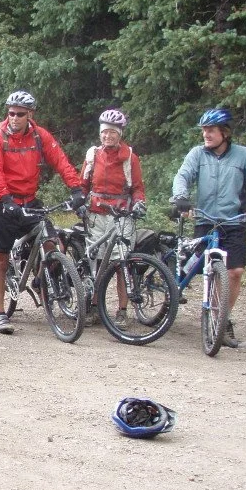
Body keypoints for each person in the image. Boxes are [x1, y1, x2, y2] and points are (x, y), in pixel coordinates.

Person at [170, 108, 246, 347]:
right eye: (204, 130)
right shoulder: (197, 154)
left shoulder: (243, 156)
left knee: (234, 273)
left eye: (211, 130)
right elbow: (182, 176)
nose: (206, 134)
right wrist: (181, 197)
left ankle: (221, 319)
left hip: (233, 222)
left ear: (224, 133)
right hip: (205, 222)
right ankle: (177, 293)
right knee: (195, 269)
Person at [0, 90, 85, 335]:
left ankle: (41, 279)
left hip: (30, 199)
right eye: (11, 113)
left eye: (20, 114)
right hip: (2, 201)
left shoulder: (40, 137)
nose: (14, 118)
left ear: (30, 114)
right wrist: (6, 200)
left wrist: (76, 188)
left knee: (53, 244)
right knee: (0, 258)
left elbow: (61, 161)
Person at [79, 109, 147, 329]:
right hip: (96, 215)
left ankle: (122, 311)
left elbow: (137, 187)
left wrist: (139, 203)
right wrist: (79, 202)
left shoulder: (130, 158)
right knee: (97, 263)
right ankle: (95, 307)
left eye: (112, 133)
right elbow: (83, 185)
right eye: (104, 132)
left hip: (121, 215)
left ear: (120, 134)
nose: (107, 136)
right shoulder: (92, 155)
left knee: (121, 264)